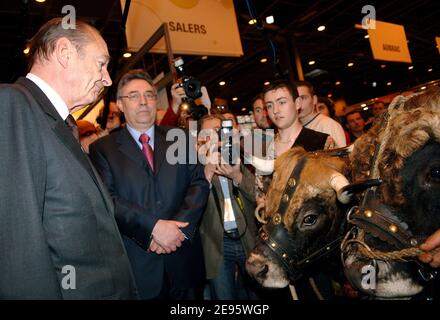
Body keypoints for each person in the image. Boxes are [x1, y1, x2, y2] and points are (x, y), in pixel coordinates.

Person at [0, 18, 137, 299]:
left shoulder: (58, 124)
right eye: (101, 64)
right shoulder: (13, 105)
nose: (107, 79)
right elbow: (18, 248)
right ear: (64, 53)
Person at [89, 69, 210, 300]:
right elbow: (108, 199)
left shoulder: (180, 137)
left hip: (184, 259)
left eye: (149, 95)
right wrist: (154, 228)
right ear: (120, 105)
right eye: (133, 96)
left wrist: (177, 231)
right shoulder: (103, 149)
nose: (143, 102)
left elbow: (198, 184)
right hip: (139, 264)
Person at [197, 114, 258, 300]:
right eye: (208, 134)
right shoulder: (193, 167)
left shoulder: (243, 157)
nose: (215, 137)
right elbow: (192, 208)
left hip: (248, 238)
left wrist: (237, 176)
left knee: (255, 295)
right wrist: (206, 173)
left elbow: (261, 198)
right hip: (216, 243)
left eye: (219, 131)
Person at [294, 80, 346, 148]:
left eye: (303, 98)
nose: (299, 103)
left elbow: (340, 156)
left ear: (314, 100)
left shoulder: (328, 125)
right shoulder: (294, 129)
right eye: (295, 99)